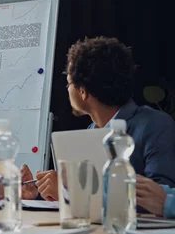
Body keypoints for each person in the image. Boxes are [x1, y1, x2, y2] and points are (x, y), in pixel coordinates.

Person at [22, 36, 175, 201]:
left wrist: (70, 192)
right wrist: (40, 193)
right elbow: (90, 197)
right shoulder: (92, 131)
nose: (67, 90)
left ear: (83, 91)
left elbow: (160, 197)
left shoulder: (156, 125)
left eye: (69, 84)